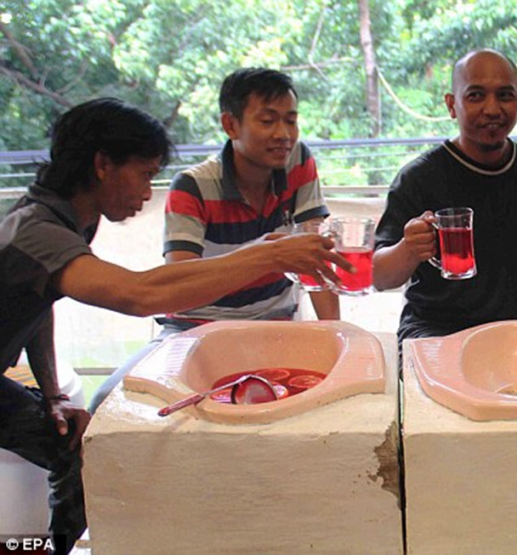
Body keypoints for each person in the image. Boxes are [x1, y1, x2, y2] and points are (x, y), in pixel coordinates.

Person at [0, 97, 351, 553]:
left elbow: (41, 303)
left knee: (74, 447)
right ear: (103, 164)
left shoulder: (69, 220)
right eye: (145, 174)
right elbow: (140, 294)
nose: (149, 192)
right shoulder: (35, 230)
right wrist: (270, 255)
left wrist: (53, 396)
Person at [89, 68, 338, 412]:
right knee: (106, 402)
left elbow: (318, 258)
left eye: (291, 121)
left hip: (277, 323)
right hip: (193, 327)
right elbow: (182, 281)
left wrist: (336, 334)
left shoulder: (298, 161)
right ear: (230, 125)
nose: (284, 134)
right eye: (268, 121)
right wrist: (266, 252)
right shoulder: (192, 185)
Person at [373, 49, 517, 343]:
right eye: (476, 96)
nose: (492, 108)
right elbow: (379, 276)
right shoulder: (418, 177)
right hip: (434, 333)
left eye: (505, 96)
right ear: (451, 105)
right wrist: (408, 248)